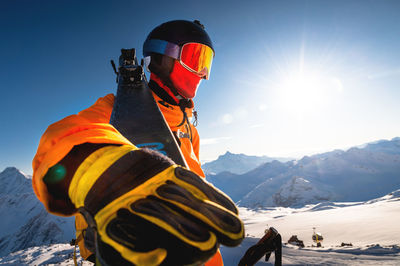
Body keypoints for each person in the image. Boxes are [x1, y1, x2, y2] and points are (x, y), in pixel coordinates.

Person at [32, 20, 244, 265]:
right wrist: (98, 168)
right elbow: (62, 138)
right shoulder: (117, 110)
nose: (202, 74)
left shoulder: (189, 129)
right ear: (163, 57)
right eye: (195, 59)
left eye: (206, 64)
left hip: (196, 249)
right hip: (127, 247)